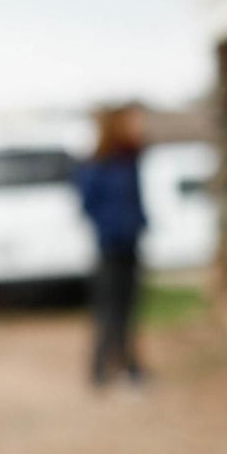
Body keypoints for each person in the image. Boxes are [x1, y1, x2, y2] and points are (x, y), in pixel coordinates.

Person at [73, 107, 149, 386]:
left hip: (130, 242)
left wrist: (140, 223)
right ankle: (101, 369)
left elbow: (136, 200)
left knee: (129, 308)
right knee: (109, 309)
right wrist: (111, 225)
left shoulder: (128, 159)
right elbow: (87, 205)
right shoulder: (97, 165)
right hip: (109, 245)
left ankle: (128, 366)